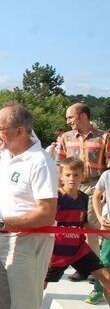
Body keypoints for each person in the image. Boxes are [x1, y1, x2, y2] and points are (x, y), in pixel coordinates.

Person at [0, 103, 58, 309]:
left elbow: (47, 214)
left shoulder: (40, 162)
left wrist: (1, 223)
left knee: (23, 305)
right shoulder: (5, 157)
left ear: (19, 131)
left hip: (28, 242)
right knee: (3, 304)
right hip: (3, 239)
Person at [57, 103, 110, 292]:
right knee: (77, 227)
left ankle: (91, 268)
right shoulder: (66, 137)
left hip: (95, 186)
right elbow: (60, 164)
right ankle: (84, 267)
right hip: (71, 187)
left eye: (70, 117)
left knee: (89, 228)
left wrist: (104, 190)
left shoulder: (104, 137)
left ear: (83, 116)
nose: (68, 121)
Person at [46, 157, 110, 304]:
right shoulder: (55, 198)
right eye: (68, 175)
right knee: (40, 285)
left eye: (76, 175)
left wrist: (103, 234)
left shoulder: (83, 198)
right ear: (61, 176)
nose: (72, 179)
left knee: (106, 278)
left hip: (79, 249)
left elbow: (85, 223)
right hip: (56, 252)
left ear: (82, 176)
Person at [93, 166, 110, 304]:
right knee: (104, 262)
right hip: (109, 228)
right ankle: (98, 290)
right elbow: (96, 196)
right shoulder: (107, 175)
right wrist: (99, 217)